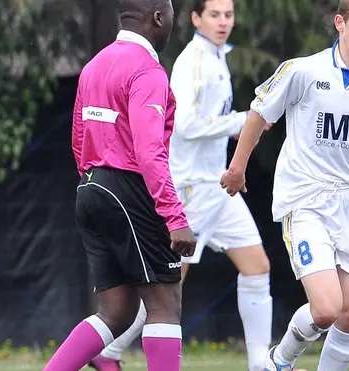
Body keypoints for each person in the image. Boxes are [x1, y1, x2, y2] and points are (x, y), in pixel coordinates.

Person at [219, 0, 349, 369]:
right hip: (306, 198)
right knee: (327, 308)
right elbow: (259, 112)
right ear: (339, 23)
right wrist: (237, 169)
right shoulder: (303, 70)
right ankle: (278, 361)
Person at [89, 1, 274, 370]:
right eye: (215, 15)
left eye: (229, 15)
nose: (223, 22)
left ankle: (260, 363)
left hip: (217, 186)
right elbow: (186, 125)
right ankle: (107, 350)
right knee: (165, 290)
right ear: (195, 19)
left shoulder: (218, 56)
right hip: (191, 189)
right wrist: (241, 122)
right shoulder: (193, 61)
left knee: (257, 267)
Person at [44, 0, 197, 370]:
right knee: (164, 304)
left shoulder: (94, 65)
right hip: (127, 187)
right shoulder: (148, 71)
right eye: (172, 16)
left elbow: (80, 137)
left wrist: (97, 185)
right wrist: (174, 217)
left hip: (91, 187)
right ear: (159, 18)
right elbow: (149, 151)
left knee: (118, 311)